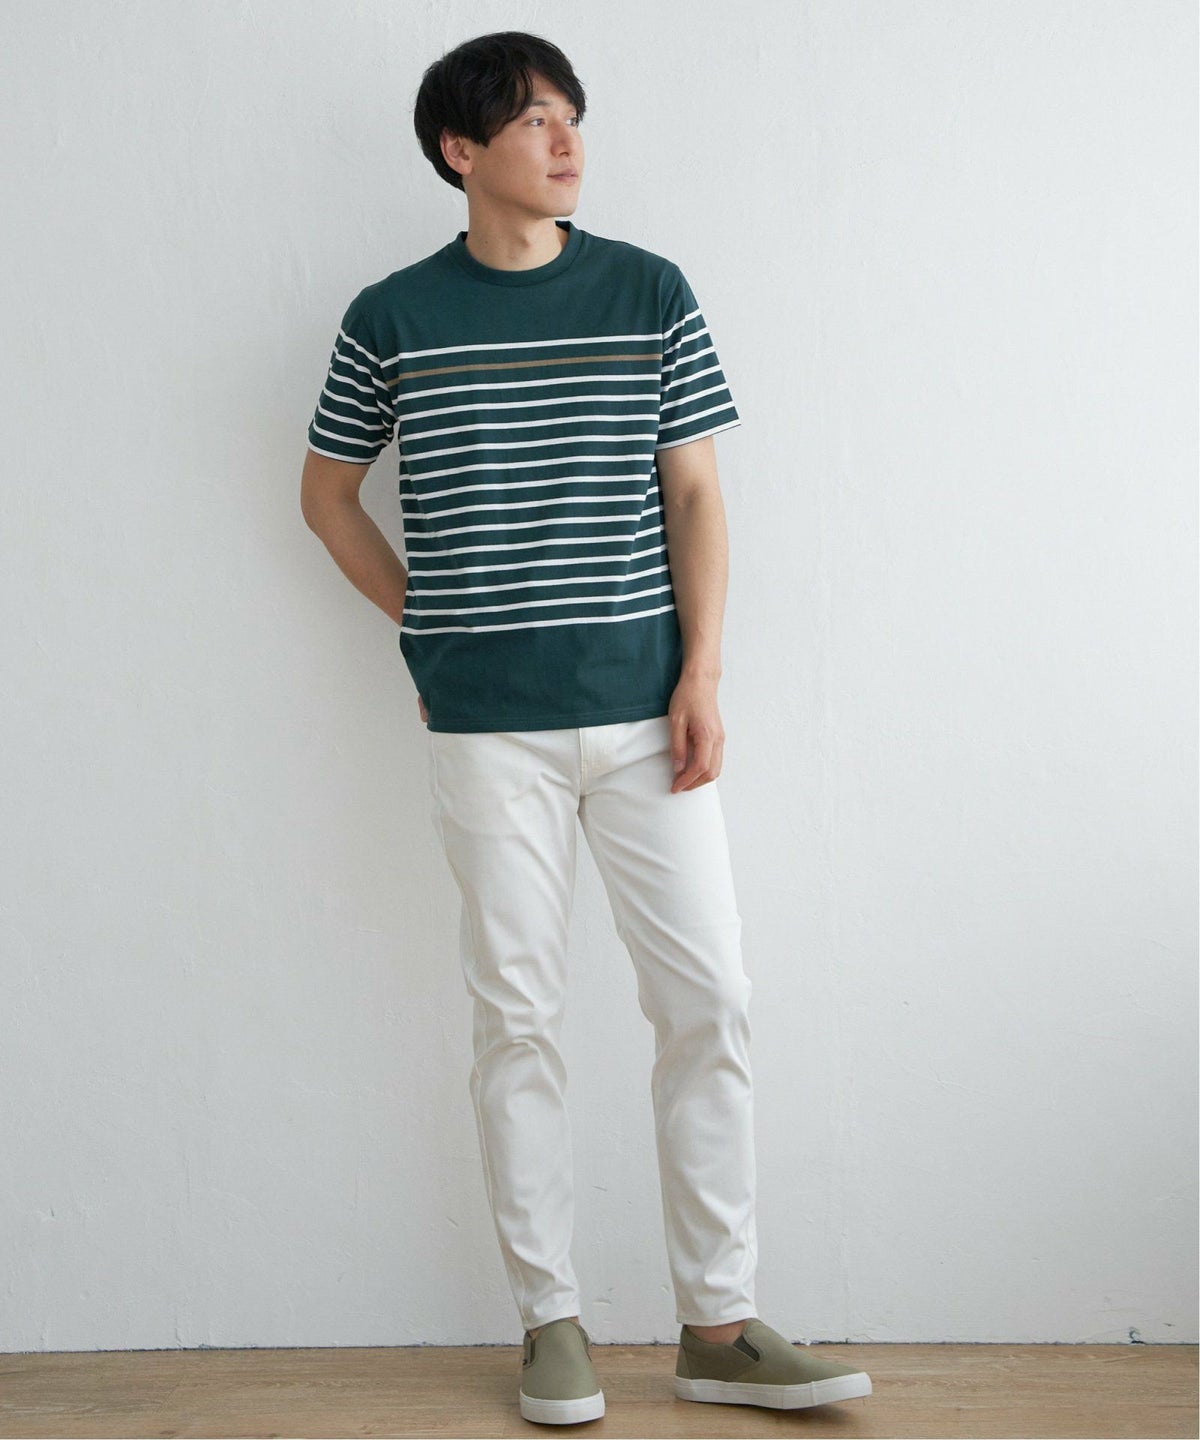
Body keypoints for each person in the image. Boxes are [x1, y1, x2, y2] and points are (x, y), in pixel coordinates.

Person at [300, 29, 872, 1425]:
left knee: (709, 1000)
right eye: (534, 120)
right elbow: (325, 496)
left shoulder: (646, 290)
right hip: (484, 728)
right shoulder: (392, 316)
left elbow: (697, 493)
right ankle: (549, 1324)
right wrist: (430, 624)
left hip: (646, 715)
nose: (566, 141)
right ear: (461, 150)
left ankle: (718, 1327)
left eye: (573, 116)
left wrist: (703, 674)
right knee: (518, 1019)